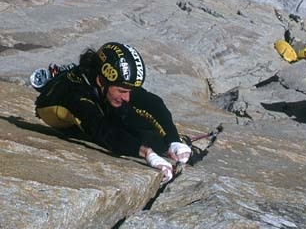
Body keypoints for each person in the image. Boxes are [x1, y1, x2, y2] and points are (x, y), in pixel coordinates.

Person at [33, 42, 191, 183]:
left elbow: (153, 103)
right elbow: (103, 130)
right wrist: (147, 153)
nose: (127, 97)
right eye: (123, 91)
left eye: (129, 91)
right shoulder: (76, 96)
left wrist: (173, 140)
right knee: (128, 133)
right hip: (68, 117)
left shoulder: (110, 82)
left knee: (138, 124)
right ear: (101, 81)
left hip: (98, 96)